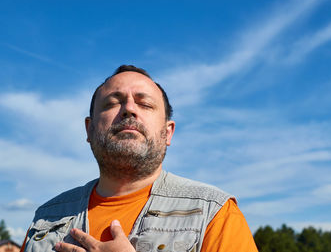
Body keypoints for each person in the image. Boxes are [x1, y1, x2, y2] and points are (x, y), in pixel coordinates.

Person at [21, 65, 258, 252]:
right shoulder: (46, 217)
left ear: (168, 132)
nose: (129, 109)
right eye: (113, 103)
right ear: (89, 130)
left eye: (144, 104)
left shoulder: (214, 213)